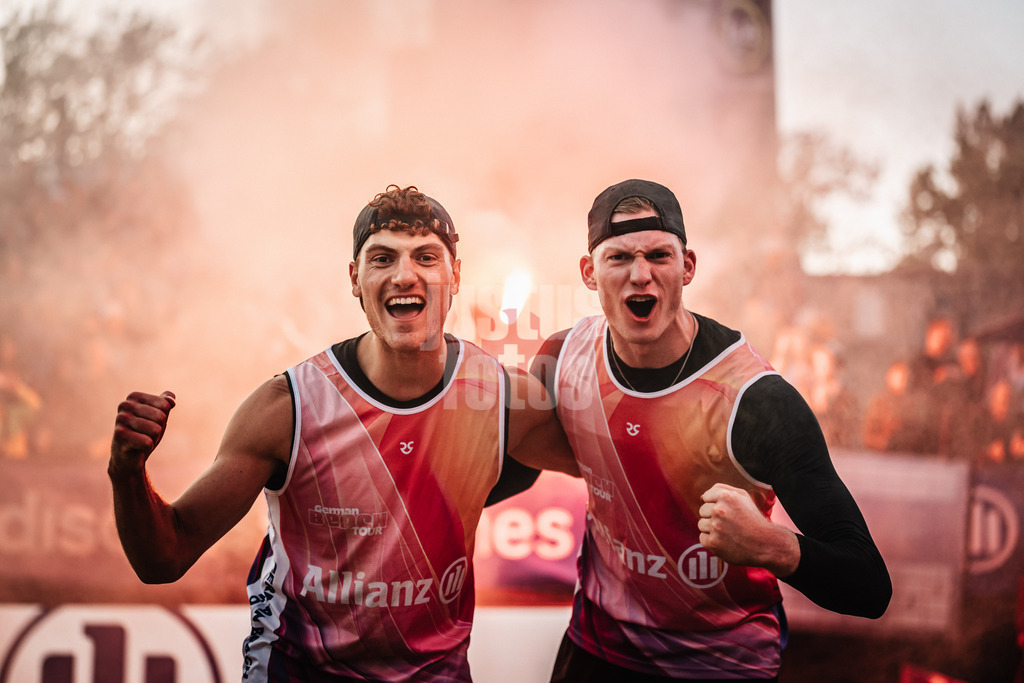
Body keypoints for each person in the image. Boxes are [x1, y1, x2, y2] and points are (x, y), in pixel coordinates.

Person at [109, 184, 579, 682]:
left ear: (455, 275)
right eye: (382, 258)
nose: (405, 275)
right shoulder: (287, 407)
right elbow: (165, 557)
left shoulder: (501, 396)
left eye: (425, 257)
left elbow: (614, 465)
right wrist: (126, 471)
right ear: (355, 278)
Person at [532, 179, 891, 681]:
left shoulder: (756, 400)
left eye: (659, 255)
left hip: (722, 664)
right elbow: (508, 469)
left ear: (688, 267)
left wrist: (770, 545)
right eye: (619, 259)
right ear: (590, 273)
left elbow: (870, 586)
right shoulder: (561, 359)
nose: (640, 276)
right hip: (598, 650)